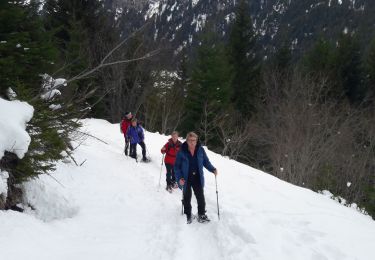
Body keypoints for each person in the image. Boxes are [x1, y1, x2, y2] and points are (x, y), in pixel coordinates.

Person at [174, 132, 218, 224]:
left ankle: (201, 214)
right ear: (187, 140)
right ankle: (188, 214)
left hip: (197, 177)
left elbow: (206, 162)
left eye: (194, 140)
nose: (192, 142)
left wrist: (212, 169)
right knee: (187, 197)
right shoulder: (181, 151)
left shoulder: (200, 150)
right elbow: (177, 167)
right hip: (185, 178)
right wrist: (179, 178)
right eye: (190, 140)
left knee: (200, 197)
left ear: (196, 140)